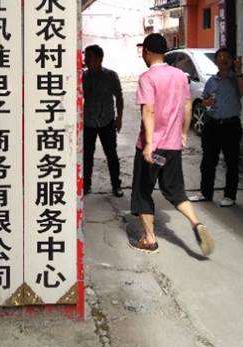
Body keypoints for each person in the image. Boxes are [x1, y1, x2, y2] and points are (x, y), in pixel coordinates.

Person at [129, 34, 214, 256]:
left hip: (152, 147)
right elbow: (187, 106)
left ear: (147, 52)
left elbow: (148, 110)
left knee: (142, 191)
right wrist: (183, 133)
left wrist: (149, 144)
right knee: (175, 191)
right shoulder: (179, 76)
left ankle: (149, 240)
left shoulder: (147, 77)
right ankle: (196, 222)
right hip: (172, 147)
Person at [188, 47, 243, 207]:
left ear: (232, 61)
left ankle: (229, 196)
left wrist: (239, 72)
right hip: (212, 125)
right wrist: (206, 102)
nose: (223, 59)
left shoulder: (236, 79)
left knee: (232, 162)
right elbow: (204, 100)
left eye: (227, 57)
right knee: (208, 161)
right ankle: (205, 193)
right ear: (216, 61)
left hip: (231, 125)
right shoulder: (211, 81)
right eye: (220, 57)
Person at [83, 44, 124, 197]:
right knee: (87, 156)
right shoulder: (82, 77)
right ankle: (86, 184)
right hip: (88, 122)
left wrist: (119, 118)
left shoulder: (110, 76)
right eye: (85, 56)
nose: (86, 60)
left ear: (99, 58)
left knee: (111, 155)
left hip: (107, 122)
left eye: (89, 56)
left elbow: (119, 97)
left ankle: (116, 185)